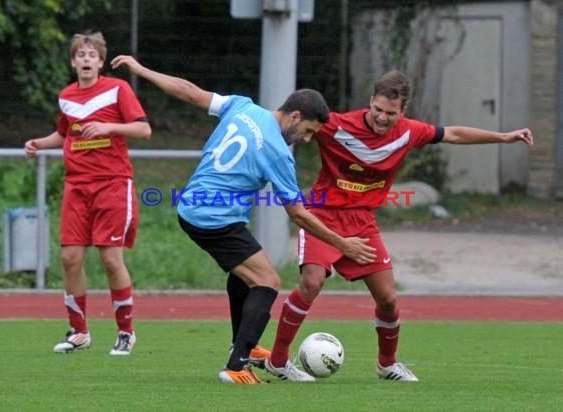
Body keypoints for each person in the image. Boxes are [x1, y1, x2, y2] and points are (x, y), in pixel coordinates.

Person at [110, 55, 376, 384]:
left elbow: (190, 92)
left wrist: (141, 69)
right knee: (268, 281)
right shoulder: (279, 152)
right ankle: (237, 366)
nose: (306, 139)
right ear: (295, 116)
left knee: (246, 274)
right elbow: (298, 214)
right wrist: (342, 243)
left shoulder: (243, 107)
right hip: (213, 219)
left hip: (196, 207)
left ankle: (243, 344)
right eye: (308, 131)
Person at [265, 70, 534, 382]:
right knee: (311, 283)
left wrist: (502, 137)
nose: (381, 117)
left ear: (402, 112)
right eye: (377, 109)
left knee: (389, 299)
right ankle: (279, 361)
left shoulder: (409, 132)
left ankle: (387, 364)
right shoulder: (336, 126)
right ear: (370, 102)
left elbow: (454, 134)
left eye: (390, 113)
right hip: (323, 216)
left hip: (362, 222)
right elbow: (288, 124)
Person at [24, 31, 152, 356]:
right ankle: (78, 332)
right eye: (80, 54)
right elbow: (65, 134)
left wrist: (111, 127)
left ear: (100, 61)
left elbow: (143, 129)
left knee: (110, 259)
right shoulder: (66, 95)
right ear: (73, 61)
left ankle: (126, 332)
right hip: (76, 185)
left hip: (112, 183)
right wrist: (39, 143)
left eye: (91, 54)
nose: (86, 59)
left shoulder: (117, 89)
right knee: (69, 258)